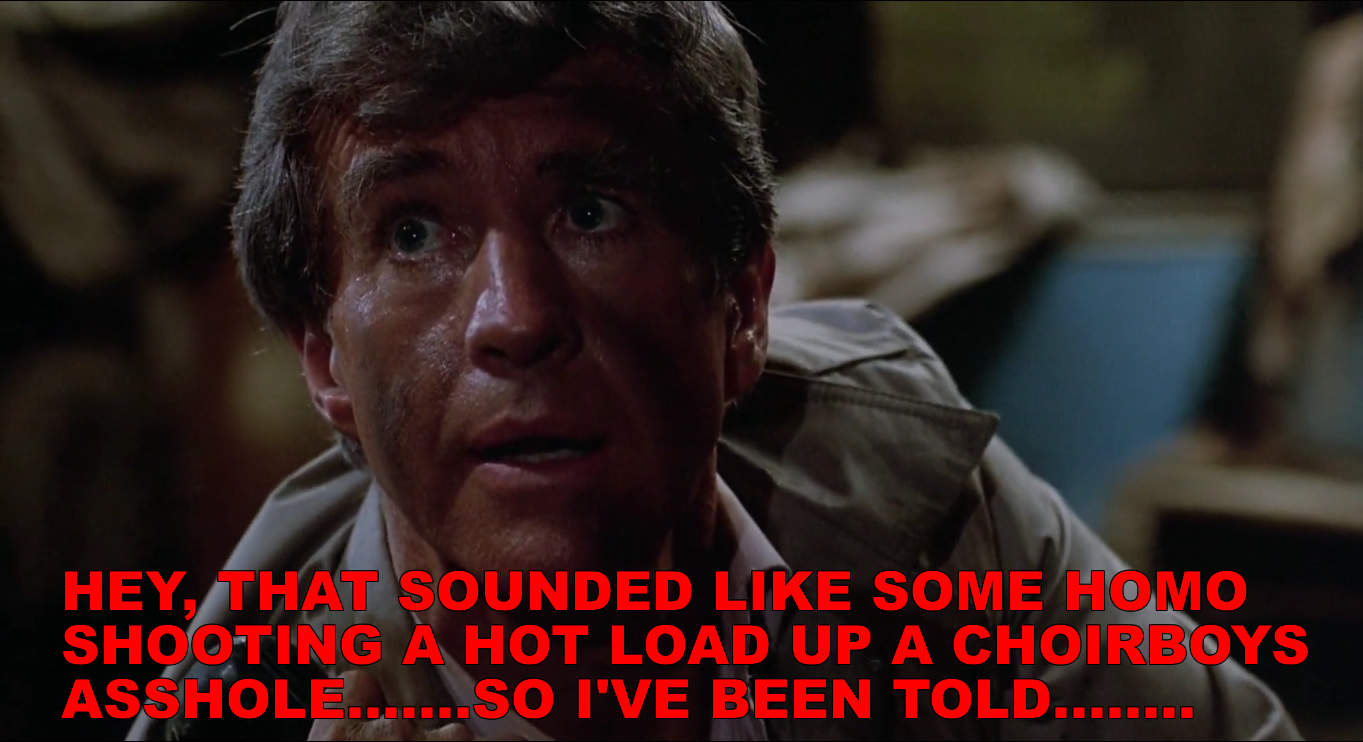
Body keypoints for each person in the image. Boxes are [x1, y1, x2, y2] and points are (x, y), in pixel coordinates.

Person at [130, 2, 1299, 740]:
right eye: (415, 232)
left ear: (742, 304)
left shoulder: (911, 501)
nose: (514, 319)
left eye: (591, 211)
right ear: (325, 359)